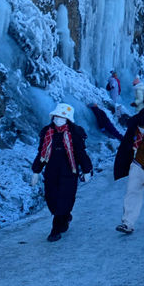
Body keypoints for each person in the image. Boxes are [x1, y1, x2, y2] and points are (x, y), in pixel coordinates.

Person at [31, 103, 93, 242]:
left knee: (64, 200)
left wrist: (87, 170)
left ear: (68, 120)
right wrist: (36, 171)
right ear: (53, 117)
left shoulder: (75, 133)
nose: (59, 120)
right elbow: (41, 152)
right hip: (51, 171)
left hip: (69, 172)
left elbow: (80, 153)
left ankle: (55, 229)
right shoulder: (47, 132)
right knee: (51, 199)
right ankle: (64, 217)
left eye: (62, 117)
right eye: (57, 117)